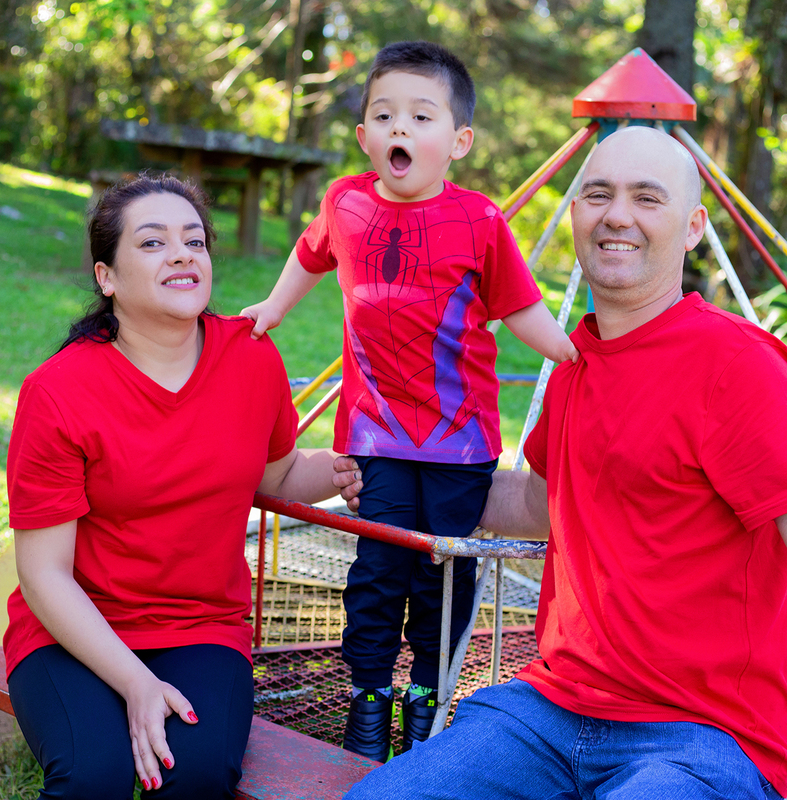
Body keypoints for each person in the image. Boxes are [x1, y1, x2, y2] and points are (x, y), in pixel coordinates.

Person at [341, 126, 787, 799]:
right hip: (549, 708)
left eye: (647, 198)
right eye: (598, 194)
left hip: (698, 732)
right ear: (576, 214)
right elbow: (535, 503)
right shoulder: (575, 365)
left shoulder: (738, 364)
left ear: (693, 227)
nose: (617, 215)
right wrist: (397, 479)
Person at [240, 41, 578, 762]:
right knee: (378, 570)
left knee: (443, 574)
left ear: (458, 142)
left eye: (422, 116)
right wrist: (272, 308)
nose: (401, 127)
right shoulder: (345, 202)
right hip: (375, 432)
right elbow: (309, 255)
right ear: (365, 135)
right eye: (385, 114)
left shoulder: (480, 221)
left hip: (460, 440)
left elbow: (520, 306)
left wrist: (573, 353)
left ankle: (427, 697)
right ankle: (367, 698)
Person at [4, 174, 356, 799]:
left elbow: (275, 475)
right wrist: (135, 682)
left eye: (194, 241)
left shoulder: (251, 356)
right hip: (73, 626)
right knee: (93, 775)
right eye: (152, 243)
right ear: (106, 277)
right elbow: (44, 575)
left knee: (193, 776)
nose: (181, 255)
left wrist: (348, 467)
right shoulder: (57, 392)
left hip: (201, 625)